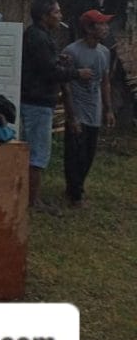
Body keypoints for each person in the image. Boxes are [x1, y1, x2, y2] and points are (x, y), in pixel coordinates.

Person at [20, 0, 93, 210]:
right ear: (45, 16)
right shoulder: (39, 37)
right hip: (37, 103)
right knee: (37, 154)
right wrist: (77, 73)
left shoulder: (38, 36)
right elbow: (49, 72)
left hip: (35, 100)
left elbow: (44, 64)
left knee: (33, 151)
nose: (60, 16)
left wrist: (58, 60)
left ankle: (30, 197)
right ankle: (32, 202)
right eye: (57, 12)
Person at [61, 10, 115, 207]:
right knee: (75, 152)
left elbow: (105, 82)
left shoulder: (104, 52)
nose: (106, 28)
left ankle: (77, 187)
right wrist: (71, 115)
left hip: (95, 110)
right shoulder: (71, 51)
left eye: (106, 24)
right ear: (89, 28)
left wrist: (108, 109)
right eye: (102, 24)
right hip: (78, 109)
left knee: (89, 153)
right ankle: (75, 195)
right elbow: (65, 84)